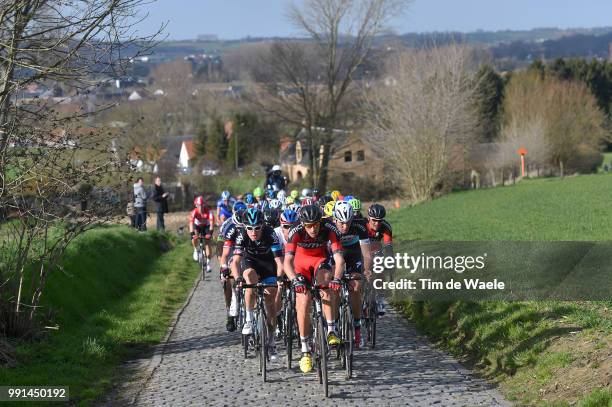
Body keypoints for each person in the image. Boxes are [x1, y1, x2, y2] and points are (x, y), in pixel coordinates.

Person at [283, 204, 345, 373]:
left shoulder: (329, 227)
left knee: (326, 280)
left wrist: (337, 279)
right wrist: (294, 280)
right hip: (300, 265)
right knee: (303, 300)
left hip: (320, 261)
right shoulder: (296, 231)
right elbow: (287, 262)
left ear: (321, 221)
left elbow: (339, 260)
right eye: (309, 225)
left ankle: (331, 330)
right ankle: (305, 351)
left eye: (316, 224)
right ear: (303, 224)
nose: (313, 228)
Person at [232, 208, 284, 361]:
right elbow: (235, 262)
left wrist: (279, 278)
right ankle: (248, 320)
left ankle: (272, 342)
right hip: (251, 262)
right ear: (245, 227)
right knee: (249, 279)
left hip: (268, 264)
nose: (253, 232)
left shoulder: (270, 233)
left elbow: (279, 262)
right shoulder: (241, 235)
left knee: (271, 300)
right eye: (250, 228)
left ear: (263, 226)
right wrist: (237, 278)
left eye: (257, 228)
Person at [331, 200, 373, 348]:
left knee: (355, 286)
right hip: (335, 255)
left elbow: (366, 254)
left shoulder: (359, 225)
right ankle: (332, 326)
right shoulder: (329, 226)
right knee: (332, 288)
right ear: (334, 219)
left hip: (353, 253)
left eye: (348, 222)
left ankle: (356, 327)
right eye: (341, 223)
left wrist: (367, 271)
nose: (345, 226)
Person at [218, 201, 247, 332]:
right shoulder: (228, 225)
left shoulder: (249, 222)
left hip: (245, 252)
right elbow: (222, 250)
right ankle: (229, 312)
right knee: (228, 282)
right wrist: (223, 267)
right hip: (229, 251)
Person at [365, 203, 393, 316]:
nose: (377, 223)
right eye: (374, 220)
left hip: (377, 251)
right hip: (362, 250)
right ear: (368, 218)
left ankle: (380, 299)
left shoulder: (386, 227)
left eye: (379, 221)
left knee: (380, 268)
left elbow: (389, 248)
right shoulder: (362, 224)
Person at [189, 196, 214, 271]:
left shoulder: (209, 212)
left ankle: (208, 263)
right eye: (199, 205)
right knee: (194, 237)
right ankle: (196, 250)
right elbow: (191, 224)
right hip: (197, 226)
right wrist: (192, 234)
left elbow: (212, 224)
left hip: (206, 226)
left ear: (204, 205)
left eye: (202, 205)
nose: (200, 207)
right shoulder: (194, 212)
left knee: (207, 243)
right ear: (196, 205)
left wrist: (210, 233)